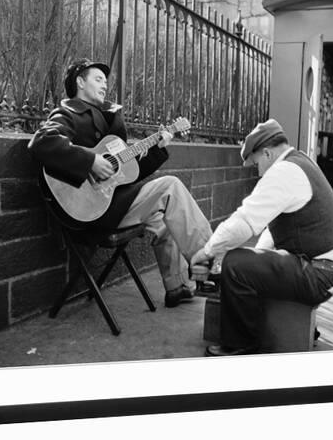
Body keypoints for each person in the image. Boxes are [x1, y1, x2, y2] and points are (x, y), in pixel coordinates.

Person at [29, 58, 212, 307]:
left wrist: (158, 147)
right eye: (98, 79)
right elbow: (42, 143)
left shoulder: (110, 119)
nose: (105, 84)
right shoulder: (68, 113)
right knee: (170, 187)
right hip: (91, 210)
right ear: (80, 82)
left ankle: (177, 286)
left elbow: (129, 173)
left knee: (164, 215)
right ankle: (212, 266)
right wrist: (90, 161)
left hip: (114, 202)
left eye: (106, 80)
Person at [191, 118, 333, 356]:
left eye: (255, 163)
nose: (256, 171)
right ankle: (296, 327)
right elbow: (272, 228)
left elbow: (244, 221)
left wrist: (207, 251)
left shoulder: (283, 172)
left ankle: (240, 344)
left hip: (317, 274)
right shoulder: (299, 162)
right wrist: (256, 259)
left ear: (267, 153)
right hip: (323, 269)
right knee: (246, 262)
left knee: (235, 264)